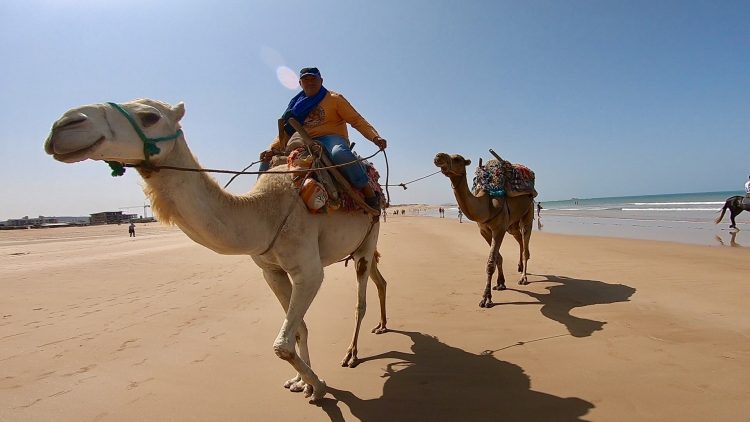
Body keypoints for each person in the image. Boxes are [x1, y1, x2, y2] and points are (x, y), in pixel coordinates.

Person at [260, 67, 387, 209]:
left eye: (313, 78)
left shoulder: (334, 99)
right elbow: (285, 133)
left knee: (339, 154)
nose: (310, 82)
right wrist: (272, 149)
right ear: (300, 84)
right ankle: (259, 203)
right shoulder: (296, 107)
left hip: (332, 138)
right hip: (305, 140)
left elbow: (357, 120)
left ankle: (368, 193)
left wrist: (375, 137)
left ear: (321, 80)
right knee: (267, 160)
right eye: (305, 80)